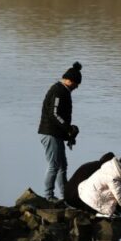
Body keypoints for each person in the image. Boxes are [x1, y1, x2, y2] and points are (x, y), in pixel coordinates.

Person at [38, 61, 82, 202]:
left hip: (56, 133)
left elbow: (59, 117)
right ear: (69, 80)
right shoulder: (58, 90)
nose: (76, 88)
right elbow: (54, 114)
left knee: (62, 166)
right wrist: (68, 128)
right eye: (76, 84)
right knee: (54, 165)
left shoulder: (64, 91)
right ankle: (48, 196)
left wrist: (68, 134)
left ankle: (65, 196)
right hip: (49, 133)